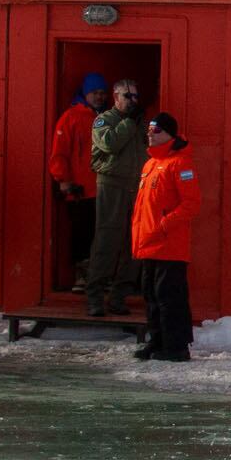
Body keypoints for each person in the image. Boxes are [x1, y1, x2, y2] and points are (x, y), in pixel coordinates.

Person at [131, 111, 202, 361]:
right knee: (151, 294)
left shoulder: (181, 163)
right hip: (149, 242)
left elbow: (192, 203)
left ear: (169, 134)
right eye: (149, 129)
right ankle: (157, 340)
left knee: (169, 296)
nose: (150, 134)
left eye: (156, 130)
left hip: (169, 244)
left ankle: (176, 346)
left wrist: (165, 224)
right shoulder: (150, 164)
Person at [82, 78, 148, 317]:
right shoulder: (104, 120)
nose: (133, 101)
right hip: (111, 184)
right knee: (107, 240)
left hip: (136, 185)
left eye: (136, 97)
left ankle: (119, 296)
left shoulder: (140, 122)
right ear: (116, 97)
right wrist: (130, 122)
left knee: (133, 243)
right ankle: (95, 296)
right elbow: (110, 144)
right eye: (128, 96)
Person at [48, 76, 107, 292]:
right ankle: (82, 276)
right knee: (82, 234)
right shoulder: (71, 117)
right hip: (80, 189)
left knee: (103, 233)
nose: (99, 97)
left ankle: (101, 276)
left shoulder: (107, 117)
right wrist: (63, 180)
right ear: (86, 93)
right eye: (95, 93)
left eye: (102, 92)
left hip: (104, 188)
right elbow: (59, 152)